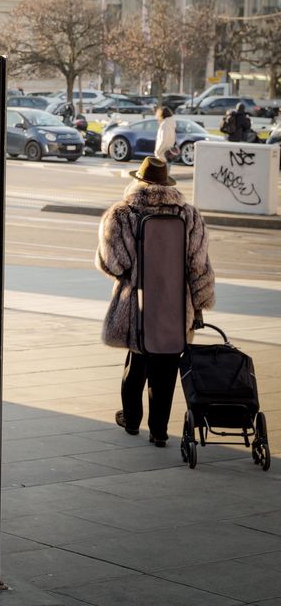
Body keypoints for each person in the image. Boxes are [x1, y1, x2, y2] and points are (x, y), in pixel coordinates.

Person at [96, 157, 215, 446]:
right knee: (167, 367)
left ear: (139, 181)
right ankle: (159, 431)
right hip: (176, 307)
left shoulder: (122, 213)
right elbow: (199, 267)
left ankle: (131, 420)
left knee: (137, 362)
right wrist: (199, 304)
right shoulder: (189, 215)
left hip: (136, 306)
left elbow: (114, 263)